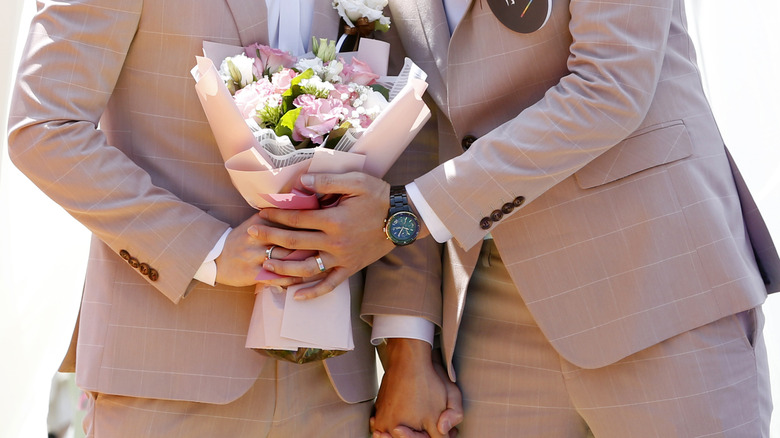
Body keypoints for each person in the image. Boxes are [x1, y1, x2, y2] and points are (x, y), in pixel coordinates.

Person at [251, 0, 780, 436]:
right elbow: (407, 126)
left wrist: (404, 212)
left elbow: (610, 88)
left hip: (656, 289)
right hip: (486, 317)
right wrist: (407, 345)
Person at [6, 1, 426, 436]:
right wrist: (208, 249)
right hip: (168, 375)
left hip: (334, 380)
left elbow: (404, 141)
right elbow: (45, 127)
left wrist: (407, 349)